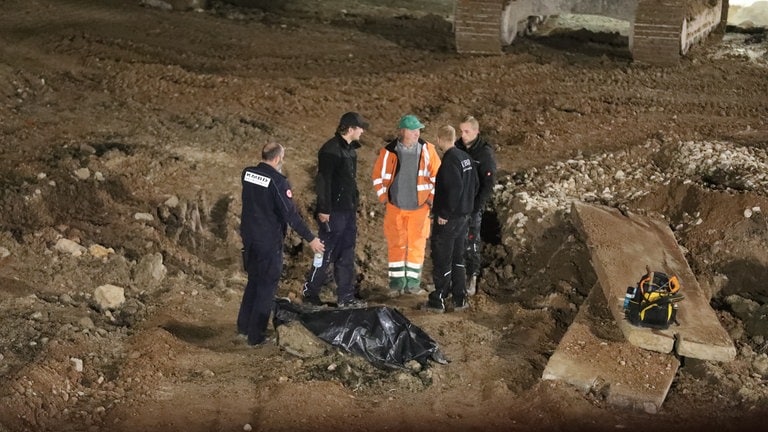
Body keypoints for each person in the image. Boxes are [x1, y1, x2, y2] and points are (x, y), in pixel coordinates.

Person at [238, 142, 325, 346]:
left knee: (254, 282)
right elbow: (291, 216)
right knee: (267, 287)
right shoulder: (278, 182)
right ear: (277, 159)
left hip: (249, 238)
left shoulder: (247, 173)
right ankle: (256, 337)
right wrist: (311, 239)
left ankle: (243, 327)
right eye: (282, 158)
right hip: (268, 241)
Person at [302, 112, 369, 309]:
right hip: (333, 212)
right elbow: (324, 180)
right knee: (325, 252)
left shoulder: (350, 151)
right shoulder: (330, 150)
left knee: (346, 253)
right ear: (350, 129)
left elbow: (349, 181)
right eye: (359, 128)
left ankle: (345, 297)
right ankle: (310, 293)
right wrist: (324, 209)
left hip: (347, 212)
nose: (362, 131)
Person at [372, 114, 441, 295]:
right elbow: (378, 177)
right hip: (395, 208)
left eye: (418, 130)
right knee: (396, 245)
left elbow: (439, 177)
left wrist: (430, 199)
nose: (417, 133)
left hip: (419, 209)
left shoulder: (428, 150)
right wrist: (384, 199)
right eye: (413, 130)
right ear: (403, 131)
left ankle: (412, 285)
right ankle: (396, 285)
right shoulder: (387, 152)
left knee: (416, 246)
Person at [424, 125, 479, 313]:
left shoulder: (449, 162)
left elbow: (453, 189)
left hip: (450, 219)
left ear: (440, 139)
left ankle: (438, 298)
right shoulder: (466, 158)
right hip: (464, 217)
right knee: (458, 258)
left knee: (442, 258)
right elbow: (475, 185)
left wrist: (444, 214)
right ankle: (459, 298)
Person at [456, 115, 497, 296]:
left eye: (467, 131)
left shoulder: (484, 154)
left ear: (476, 131)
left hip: (472, 206)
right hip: (456, 206)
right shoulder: (456, 148)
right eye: (461, 131)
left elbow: (488, 185)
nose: (463, 135)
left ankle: (471, 275)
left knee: (471, 242)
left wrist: (476, 207)